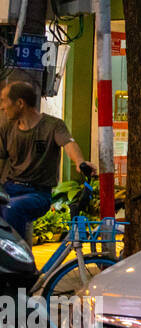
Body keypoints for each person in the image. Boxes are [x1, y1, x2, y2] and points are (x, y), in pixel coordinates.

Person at [0, 80, 94, 238]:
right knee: (10, 206)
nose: (2, 107)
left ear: (20, 103)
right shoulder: (7, 128)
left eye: (4, 101)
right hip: (10, 188)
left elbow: (69, 144)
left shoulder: (52, 125)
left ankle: (19, 259)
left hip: (37, 193)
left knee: (13, 209)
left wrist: (80, 162)